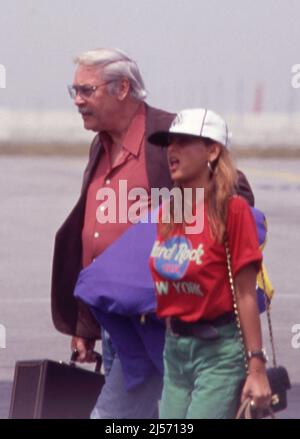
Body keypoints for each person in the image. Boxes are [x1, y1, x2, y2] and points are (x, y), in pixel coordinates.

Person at [51, 48, 255, 419]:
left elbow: (233, 193)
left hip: (159, 326)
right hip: (117, 322)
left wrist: (173, 237)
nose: (77, 100)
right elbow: (97, 239)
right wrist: (85, 322)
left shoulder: (167, 135)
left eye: (86, 90)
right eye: (74, 90)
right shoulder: (101, 145)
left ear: (122, 88)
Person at [148, 108, 272, 419]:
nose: (171, 151)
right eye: (169, 143)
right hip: (174, 352)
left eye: (183, 142)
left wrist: (256, 367)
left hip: (218, 352)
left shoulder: (234, 211)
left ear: (212, 151)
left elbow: (246, 294)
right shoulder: (168, 214)